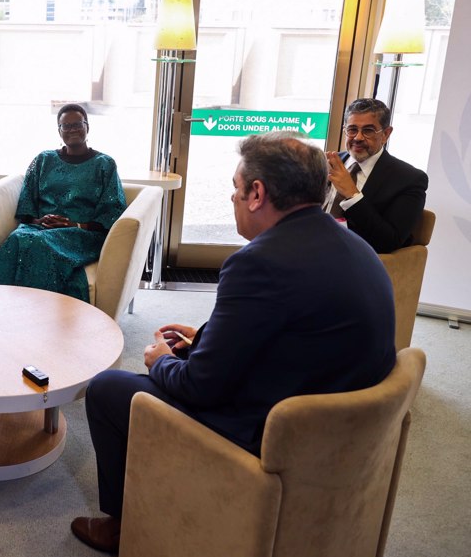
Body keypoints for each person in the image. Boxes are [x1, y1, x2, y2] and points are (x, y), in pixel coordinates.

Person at [71, 131, 397, 553]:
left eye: (235, 188)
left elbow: (201, 387)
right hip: (336, 426)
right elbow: (287, 331)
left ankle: (124, 527)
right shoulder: (356, 246)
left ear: (257, 193)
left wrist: (161, 360)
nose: (232, 198)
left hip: (272, 436)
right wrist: (204, 339)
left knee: (108, 388)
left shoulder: (257, 262)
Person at [0, 103, 126, 302]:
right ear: (59, 131)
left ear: (87, 126)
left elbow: (111, 212)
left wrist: (73, 224)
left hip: (82, 233)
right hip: (39, 228)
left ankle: (37, 309)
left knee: (37, 243)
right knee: (17, 239)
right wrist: (40, 221)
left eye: (77, 124)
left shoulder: (105, 164)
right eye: (66, 126)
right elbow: (26, 204)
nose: (72, 130)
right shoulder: (44, 160)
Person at [324, 97, 428, 253]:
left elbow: (389, 241)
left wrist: (352, 195)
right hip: (309, 245)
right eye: (352, 129)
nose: (358, 138)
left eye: (368, 130)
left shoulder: (409, 179)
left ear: (386, 134)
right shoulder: (329, 163)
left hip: (353, 260)